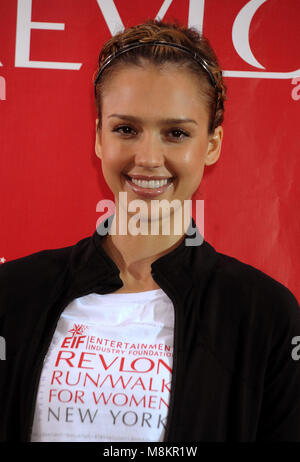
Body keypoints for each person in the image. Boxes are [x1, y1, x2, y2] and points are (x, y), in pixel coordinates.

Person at [0, 18, 300, 443]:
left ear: (211, 144)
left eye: (176, 133)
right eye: (126, 129)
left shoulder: (263, 313)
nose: (148, 157)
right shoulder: (13, 293)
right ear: (99, 137)